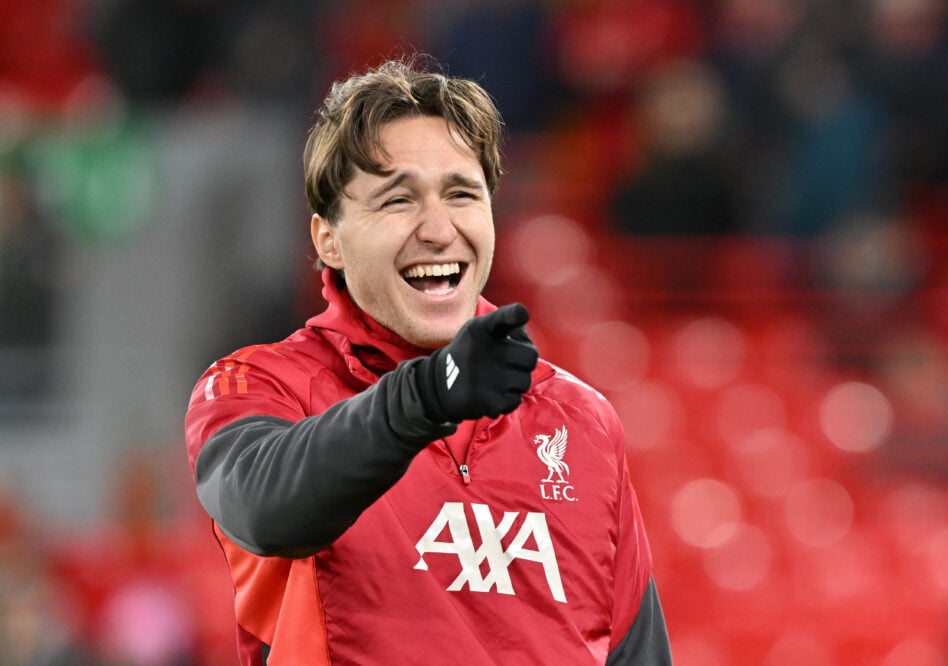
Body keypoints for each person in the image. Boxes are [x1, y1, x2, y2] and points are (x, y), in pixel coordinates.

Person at [184, 57, 671, 665]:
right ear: (328, 239)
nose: (439, 229)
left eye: (462, 194)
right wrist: (426, 397)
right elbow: (265, 511)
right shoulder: (259, 385)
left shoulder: (583, 419)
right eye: (398, 200)